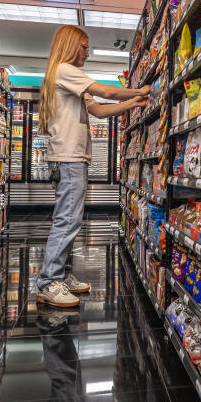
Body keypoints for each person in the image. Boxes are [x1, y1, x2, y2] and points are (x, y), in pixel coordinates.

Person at [37, 25, 149, 307]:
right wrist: (139, 89)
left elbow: (99, 109)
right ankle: (49, 282)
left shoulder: (67, 78)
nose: (88, 52)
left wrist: (133, 102)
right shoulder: (65, 69)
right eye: (84, 46)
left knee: (70, 219)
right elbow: (104, 92)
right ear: (71, 45)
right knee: (67, 220)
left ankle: (61, 275)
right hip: (69, 158)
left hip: (71, 158)